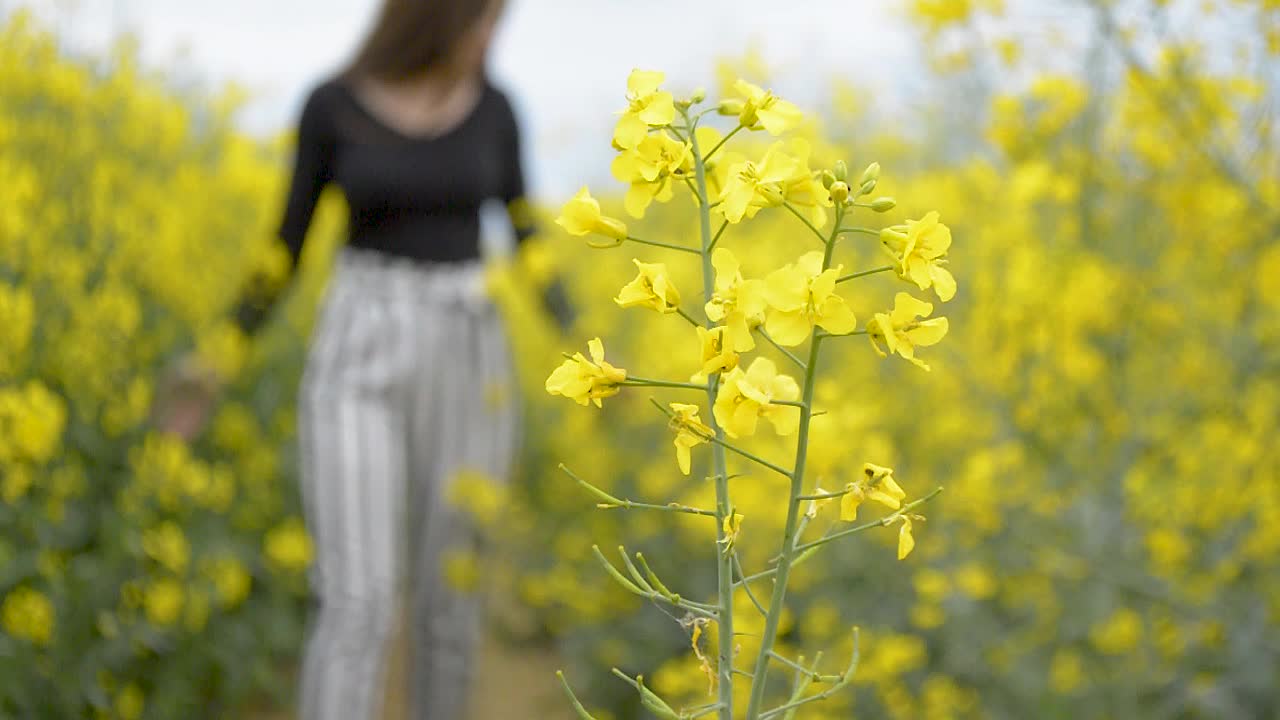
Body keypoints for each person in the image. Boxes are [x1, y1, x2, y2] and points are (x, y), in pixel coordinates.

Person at [162, 0, 562, 717]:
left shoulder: (497, 110)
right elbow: (282, 246)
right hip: (358, 343)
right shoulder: (332, 104)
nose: (490, 39)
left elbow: (529, 238)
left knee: (453, 594)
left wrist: (594, 349)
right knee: (358, 598)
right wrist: (215, 360)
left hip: (468, 350)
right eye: (483, 21)